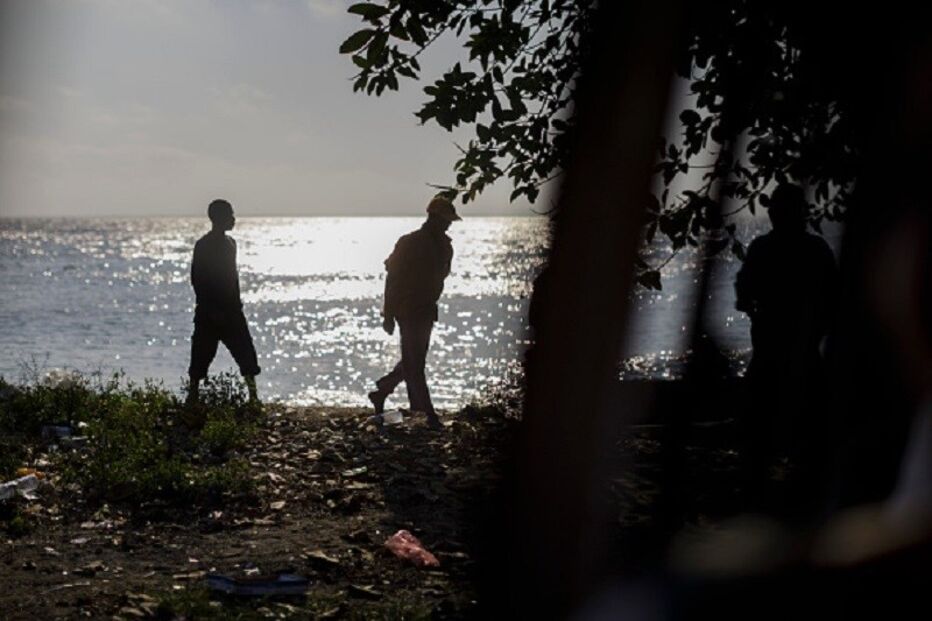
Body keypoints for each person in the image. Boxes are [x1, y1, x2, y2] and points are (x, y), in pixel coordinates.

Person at [733, 183, 837, 509]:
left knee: (759, 438)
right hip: (803, 352)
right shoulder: (816, 249)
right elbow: (834, 302)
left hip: (772, 352)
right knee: (809, 438)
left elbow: (744, 296)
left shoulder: (763, 248)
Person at [368, 196, 461, 429]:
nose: (449, 225)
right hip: (408, 310)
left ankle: (383, 390)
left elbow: (440, 276)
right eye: (446, 220)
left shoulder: (445, 246)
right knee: (415, 363)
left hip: (426, 309)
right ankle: (427, 414)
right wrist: (388, 314)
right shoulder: (409, 243)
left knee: (414, 359)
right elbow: (393, 279)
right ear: (434, 218)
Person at [187, 199, 260, 403]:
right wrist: (211, 310)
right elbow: (197, 279)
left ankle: (254, 397)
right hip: (209, 312)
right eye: (230, 215)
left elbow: (232, 277)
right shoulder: (203, 245)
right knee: (200, 355)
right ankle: (192, 396)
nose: (233, 219)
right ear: (218, 218)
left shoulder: (231, 243)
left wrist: (236, 305)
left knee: (246, 353)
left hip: (232, 310)